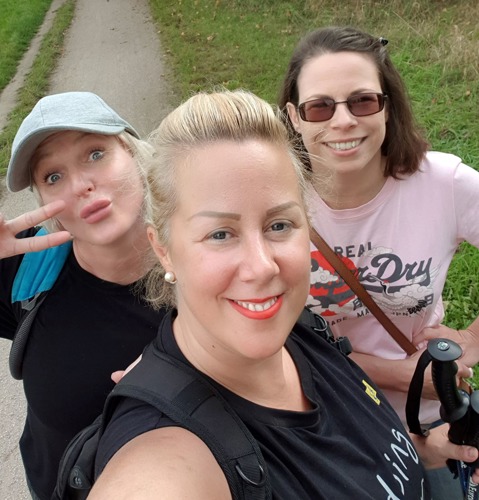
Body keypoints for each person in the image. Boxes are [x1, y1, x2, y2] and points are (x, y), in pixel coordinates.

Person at [87, 89, 479, 499]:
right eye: (220, 234)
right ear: (163, 248)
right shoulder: (167, 459)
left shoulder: (304, 333)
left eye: (279, 225)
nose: (262, 267)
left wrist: (421, 453)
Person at [278, 25, 479, 498]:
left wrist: (471, 340)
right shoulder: (274, 202)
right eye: (320, 107)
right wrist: (395, 373)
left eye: (363, 101)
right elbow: (257, 332)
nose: (343, 121)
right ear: (294, 117)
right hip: (324, 425)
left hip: (432, 420)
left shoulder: (442, 185)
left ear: (387, 105)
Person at [0, 91, 168, 500]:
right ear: (43, 202)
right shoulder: (25, 266)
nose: (79, 185)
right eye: (52, 177)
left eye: (95, 153)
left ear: (133, 152)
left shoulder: (210, 268)